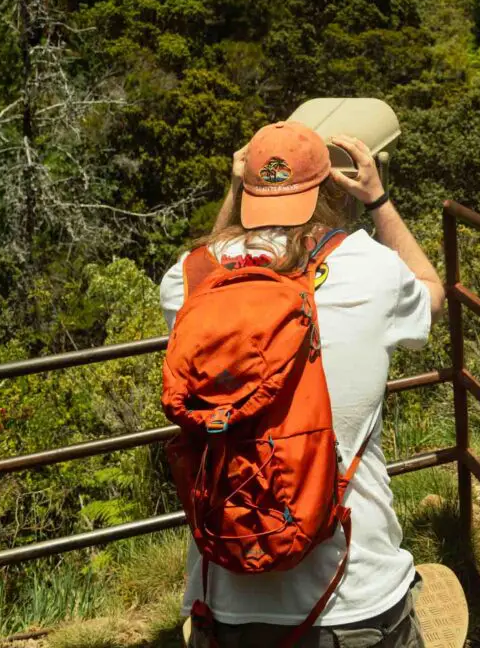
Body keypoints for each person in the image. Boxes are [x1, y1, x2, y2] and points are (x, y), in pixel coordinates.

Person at [160, 121, 446, 648]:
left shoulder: (188, 280)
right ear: (326, 191)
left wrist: (234, 188)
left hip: (224, 602)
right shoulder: (371, 270)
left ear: (247, 190)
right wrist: (378, 199)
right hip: (354, 595)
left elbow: (209, 257)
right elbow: (433, 291)